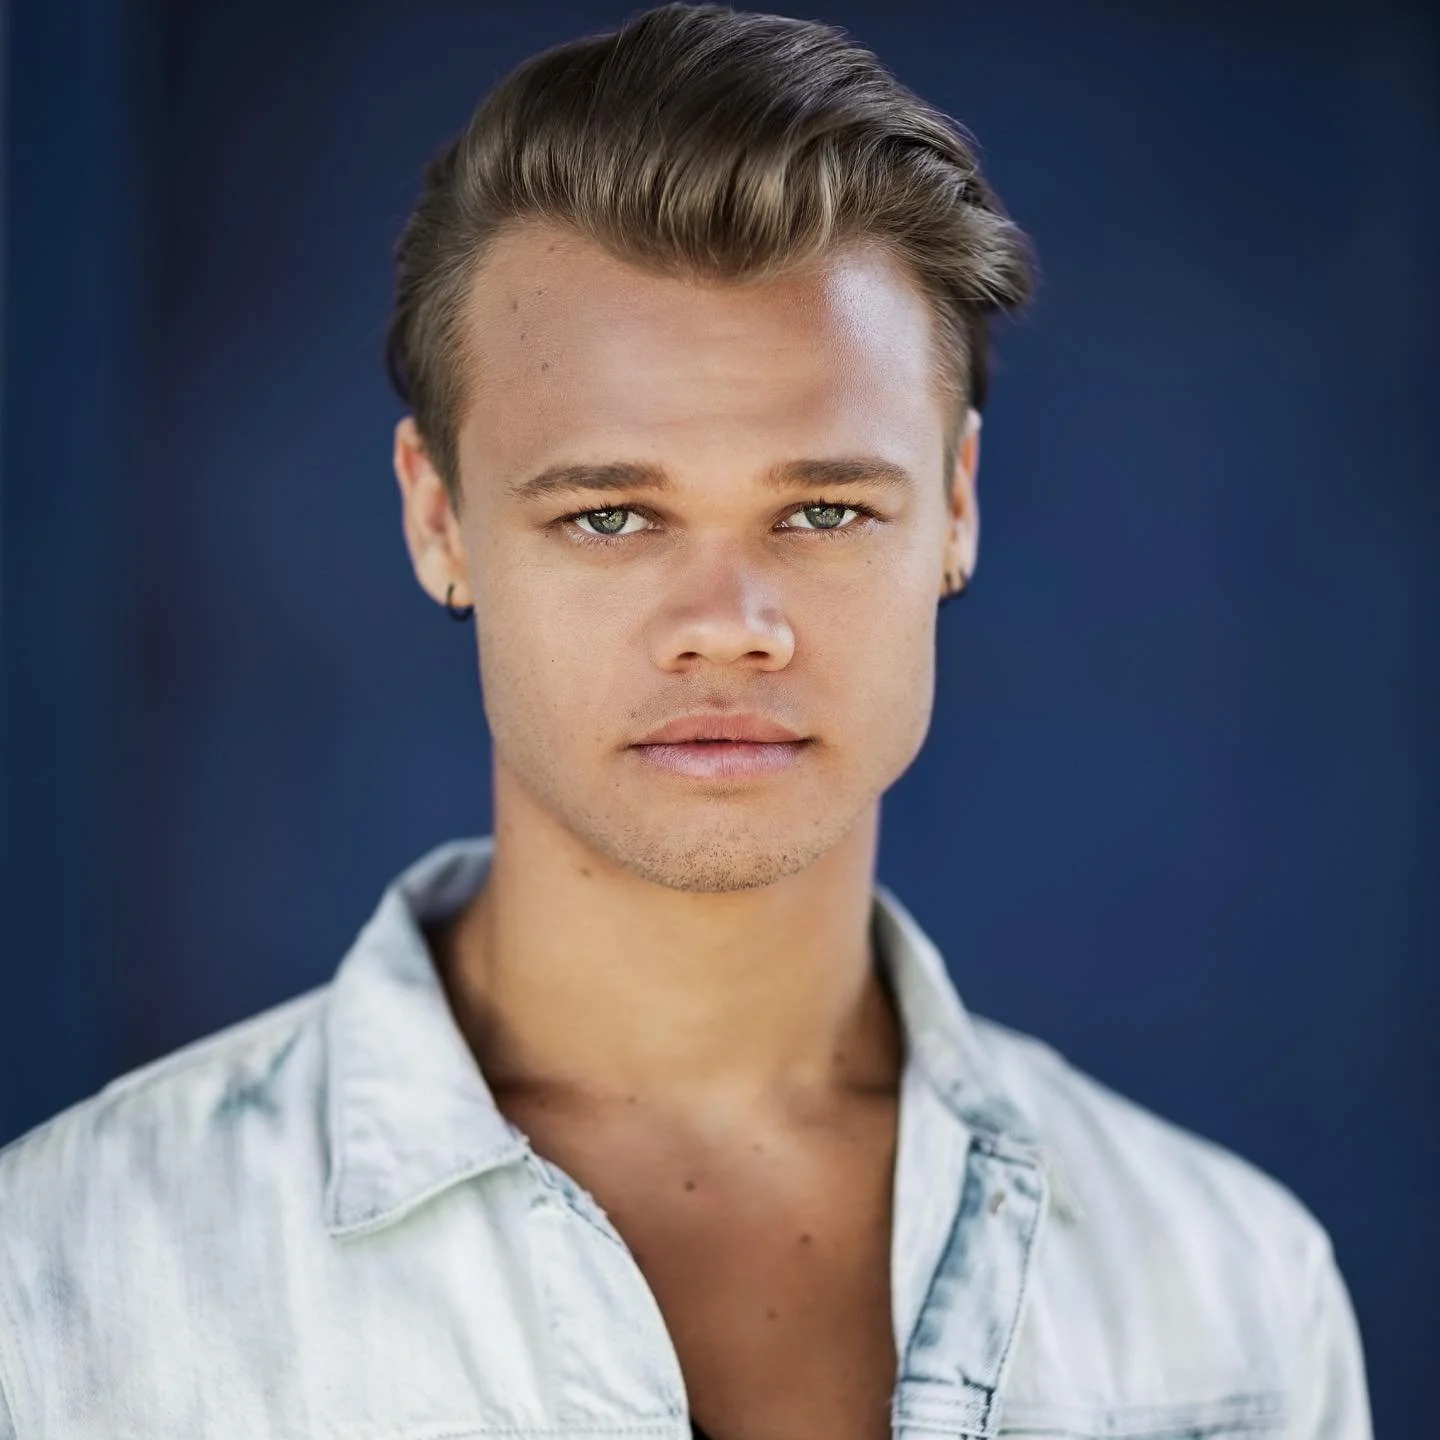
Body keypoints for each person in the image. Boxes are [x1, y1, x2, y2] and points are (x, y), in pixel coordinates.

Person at [0, 5, 1371, 1438]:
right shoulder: (68, 1277)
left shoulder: (1232, 1297)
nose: (732, 620)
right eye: (610, 513)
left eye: (826, 508)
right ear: (436, 517)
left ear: (956, 507)